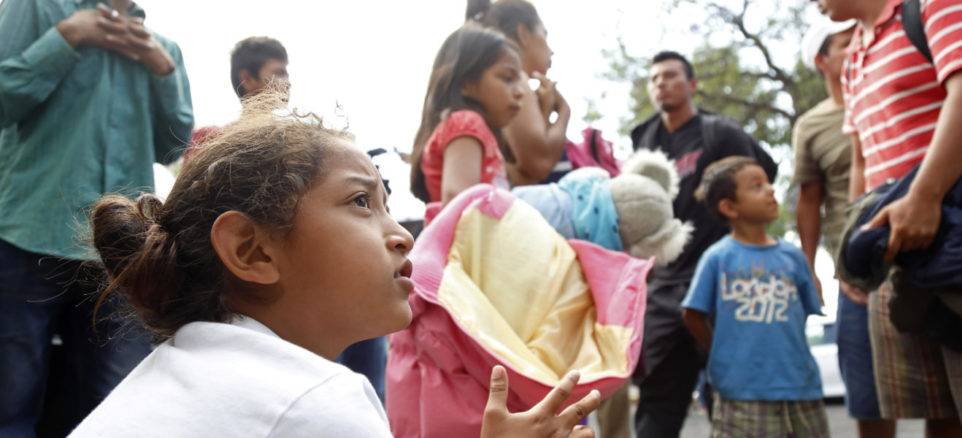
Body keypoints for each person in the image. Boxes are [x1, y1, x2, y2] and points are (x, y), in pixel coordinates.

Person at [69, 96, 600, 437]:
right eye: (361, 203)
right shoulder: (314, 403)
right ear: (252, 251)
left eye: (388, 206)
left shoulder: (182, 371)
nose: (400, 235)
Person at [813, 0, 962, 436]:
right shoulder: (853, 55)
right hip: (903, 257)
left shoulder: (937, 3)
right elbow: (861, 157)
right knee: (942, 413)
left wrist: (925, 196)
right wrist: (853, 242)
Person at [0, 0, 193, 435]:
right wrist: (66, 38)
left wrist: (160, 67)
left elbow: (172, 149)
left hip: (117, 258)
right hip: (26, 238)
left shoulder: (163, 48)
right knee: (9, 407)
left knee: (118, 411)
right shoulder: (35, 7)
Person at [629, 50, 777, 437]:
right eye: (654, 77)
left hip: (719, 284)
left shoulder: (720, 132)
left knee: (730, 395)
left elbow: (761, 178)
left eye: (671, 75)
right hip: (662, 290)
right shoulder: (643, 141)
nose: (661, 82)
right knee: (657, 401)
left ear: (692, 84)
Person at [793, 18, 896, 438]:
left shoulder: (888, 93)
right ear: (822, 60)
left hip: (916, 254)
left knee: (943, 396)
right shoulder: (811, 125)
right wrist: (811, 266)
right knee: (867, 398)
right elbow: (809, 201)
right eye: (842, 42)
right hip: (855, 277)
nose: (856, 43)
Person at [682, 156, 828, 437]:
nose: (770, 190)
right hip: (741, 392)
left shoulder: (793, 257)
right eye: (756, 186)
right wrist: (721, 350)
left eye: (769, 183)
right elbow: (692, 314)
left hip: (801, 387)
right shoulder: (717, 258)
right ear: (729, 207)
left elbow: (803, 315)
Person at [409, 24, 524, 222]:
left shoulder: (474, 128)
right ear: (467, 84)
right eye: (507, 78)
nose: (520, 91)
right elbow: (459, 200)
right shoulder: (466, 122)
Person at [467, 0, 572, 185]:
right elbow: (539, 165)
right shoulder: (518, 82)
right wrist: (564, 111)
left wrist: (545, 113)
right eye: (544, 35)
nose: (551, 51)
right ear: (523, 34)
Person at [183, 36, 288, 161]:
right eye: (279, 73)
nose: (288, 83)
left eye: (287, 74)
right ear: (247, 79)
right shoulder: (207, 141)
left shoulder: (293, 141)